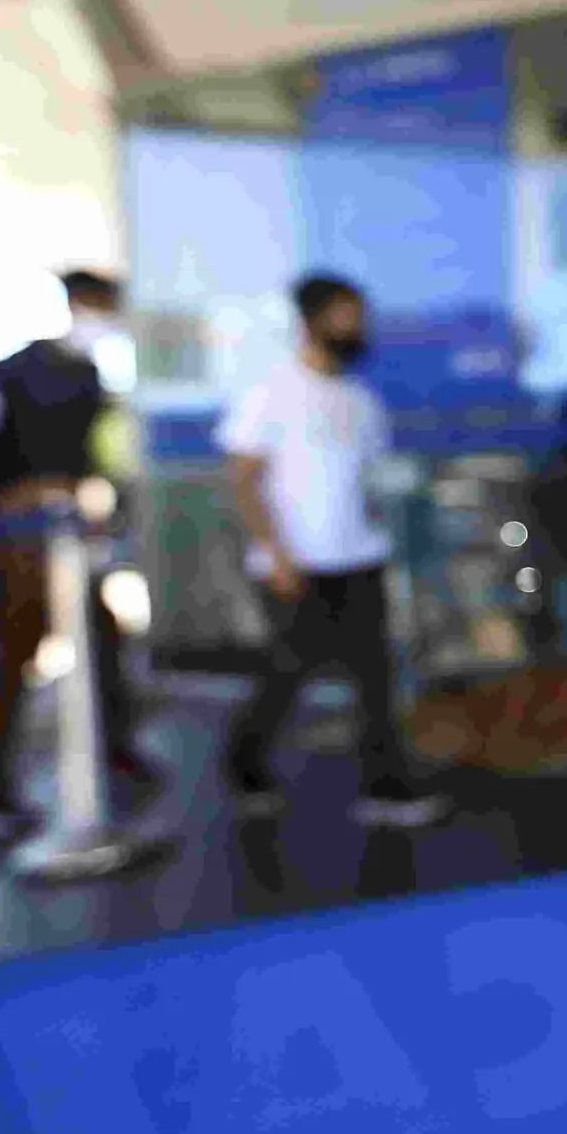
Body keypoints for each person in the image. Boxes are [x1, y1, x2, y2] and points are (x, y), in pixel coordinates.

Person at [220, 275, 448, 828]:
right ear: (313, 320)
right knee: (288, 672)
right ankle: (244, 766)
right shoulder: (272, 391)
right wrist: (275, 553)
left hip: (360, 557)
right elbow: (244, 478)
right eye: (347, 316)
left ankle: (384, 788)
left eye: (360, 317)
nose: (357, 328)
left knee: (375, 677)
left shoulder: (360, 400)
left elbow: (371, 480)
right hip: (296, 563)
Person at [0, 269, 148, 819]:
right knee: (15, 650)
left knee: (102, 638)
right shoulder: (13, 371)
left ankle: (113, 751)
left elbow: (95, 457)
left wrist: (94, 499)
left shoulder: (89, 376)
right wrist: (23, 496)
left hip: (68, 532)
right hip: (20, 536)